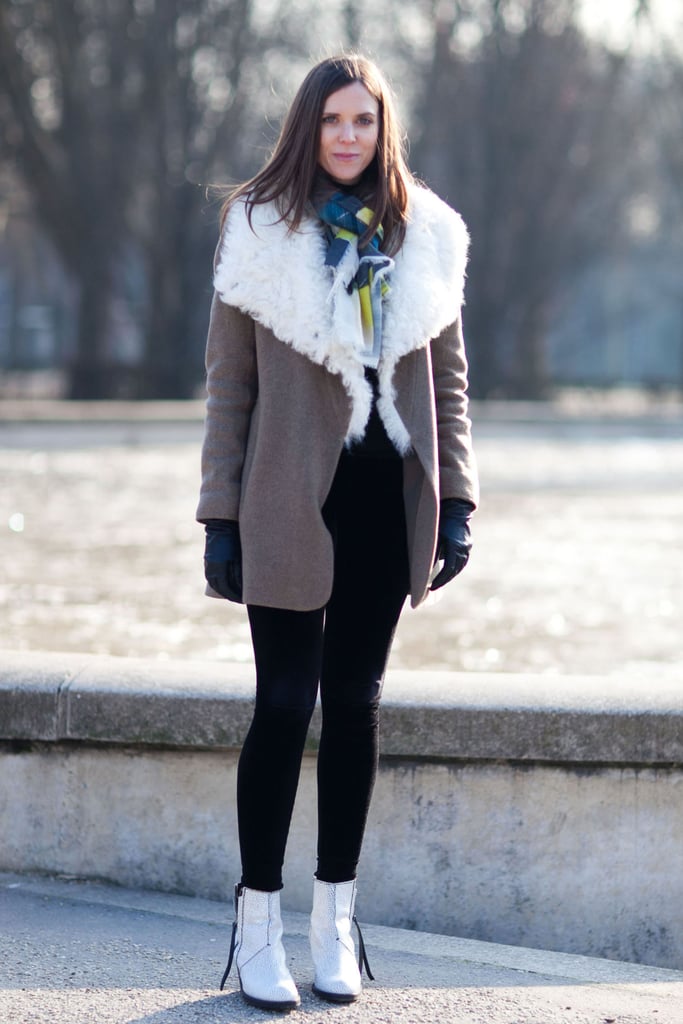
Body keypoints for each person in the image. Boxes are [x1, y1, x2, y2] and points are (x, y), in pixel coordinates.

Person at [196, 53, 479, 1012]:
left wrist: (461, 501)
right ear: (306, 128)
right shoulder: (258, 230)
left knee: (354, 706)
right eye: (332, 121)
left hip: (383, 496)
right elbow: (228, 386)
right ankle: (257, 927)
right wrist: (219, 515)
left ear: (382, 128)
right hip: (284, 496)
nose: (349, 136)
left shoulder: (426, 234)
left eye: (364, 120)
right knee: (283, 705)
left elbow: (447, 383)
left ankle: (335, 925)